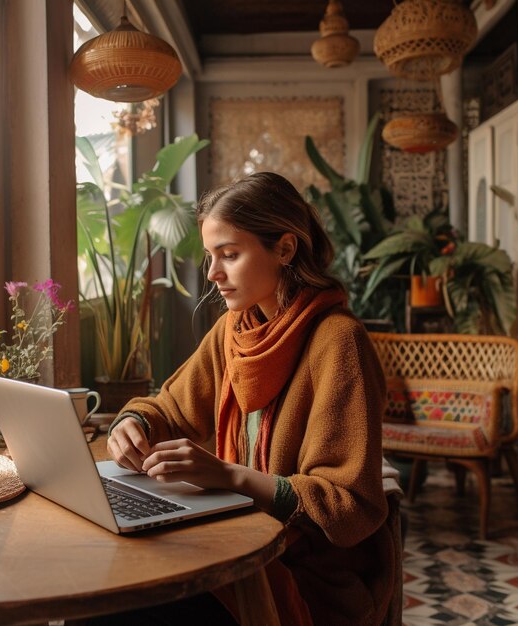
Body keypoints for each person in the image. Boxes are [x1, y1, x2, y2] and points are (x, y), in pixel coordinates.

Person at [105, 171, 395, 626]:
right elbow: (169, 406)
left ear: (284, 249)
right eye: (209, 256)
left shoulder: (340, 342)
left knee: (124, 608)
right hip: (238, 540)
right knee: (119, 591)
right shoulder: (233, 331)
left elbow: (347, 503)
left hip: (306, 573)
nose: (213, 274)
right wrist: (133, 424)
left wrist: (228, 476)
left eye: (230, 255)